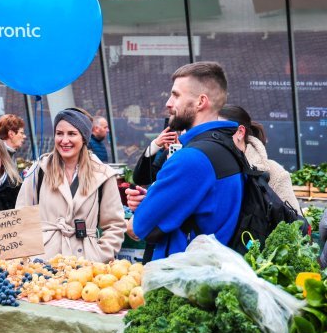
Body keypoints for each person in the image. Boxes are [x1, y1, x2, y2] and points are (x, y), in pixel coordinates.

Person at [126, 62, 243, 261]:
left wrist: (145, 208)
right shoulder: (226, 148)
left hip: (183, 278)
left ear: (200, 102)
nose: (168, 103)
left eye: (176, 95)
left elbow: (140, 226)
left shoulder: (192, 158)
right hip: (212, 271)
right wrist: (153, 198)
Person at [16, 109, 125, 262]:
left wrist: (100, 256)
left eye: (72, 134)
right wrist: (28, 261)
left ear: (84, 137)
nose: (64, 140)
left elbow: (115, 225)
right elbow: (21, 217)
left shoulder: (103, 175)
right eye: (59, 133)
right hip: (44, 264)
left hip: (86, 266)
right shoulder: (39, 169)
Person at [218, 104, 301, 214]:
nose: (212, 136)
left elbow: (296, 224)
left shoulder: (274, 172)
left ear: (240, 132)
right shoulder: (208, 167)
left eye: (219, 130)